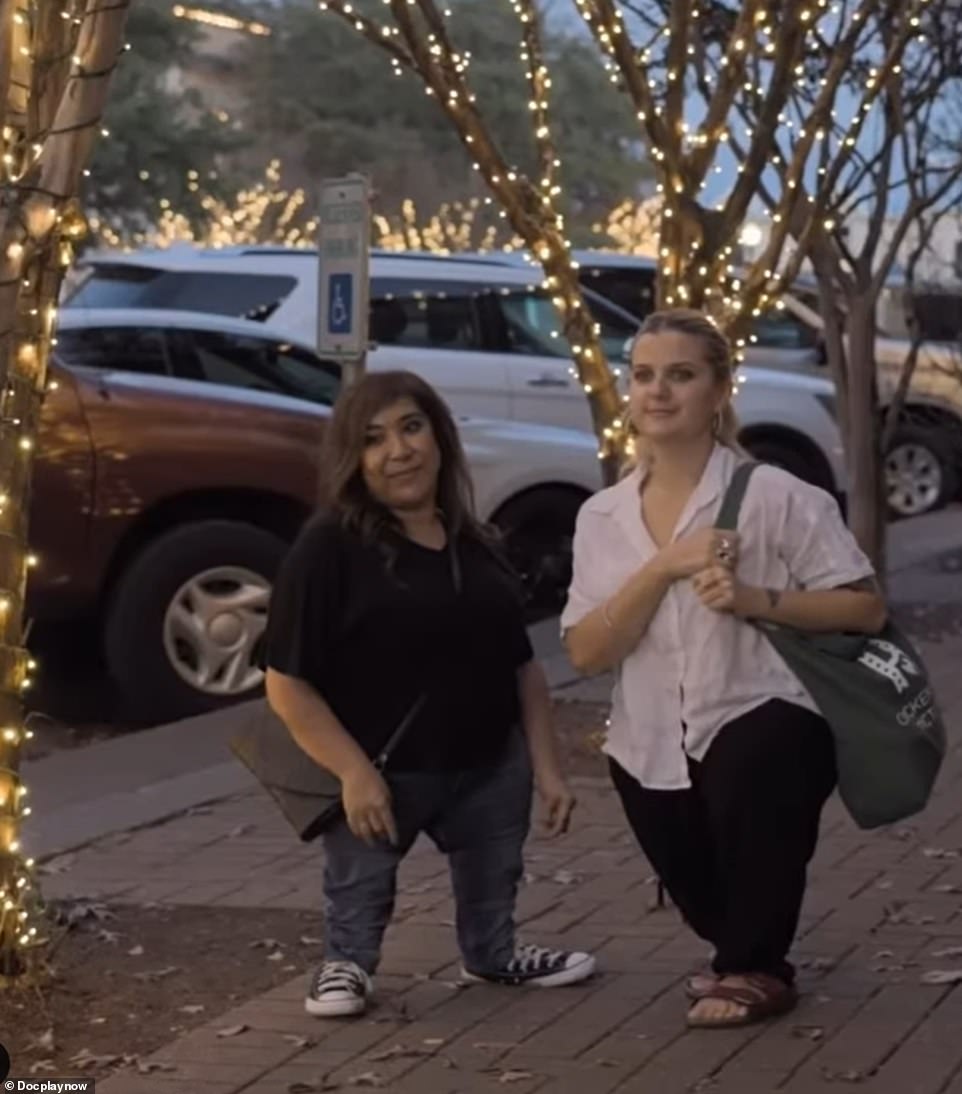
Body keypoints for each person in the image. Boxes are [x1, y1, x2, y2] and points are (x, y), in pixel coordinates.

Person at [562, 308, 886, 1029]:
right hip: (648, 732)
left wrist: (755, 598)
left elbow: (863, 608)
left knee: (757, 764)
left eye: (681, 374)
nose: (658, 391)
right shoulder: (603, 517)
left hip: (765, 706)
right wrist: (665, 567)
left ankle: (758, 968)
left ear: (718, 389)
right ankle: (738, 952)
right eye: (644, 375)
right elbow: (586, 652)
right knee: (698, 882)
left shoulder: (776, 495)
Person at [264, 369, 596, 1018]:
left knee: (494, 884)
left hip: (489, 766)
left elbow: (522, 667)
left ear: (439, 437)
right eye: (375, 438)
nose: (399, 451)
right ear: (354, 460)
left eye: (411, 428)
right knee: (357, 901)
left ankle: (494, 956)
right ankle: (345, 967)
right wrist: (353, 774)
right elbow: (286, 682)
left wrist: (548, 770)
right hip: (382, 773)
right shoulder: (329, 547)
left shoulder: (477, 543)